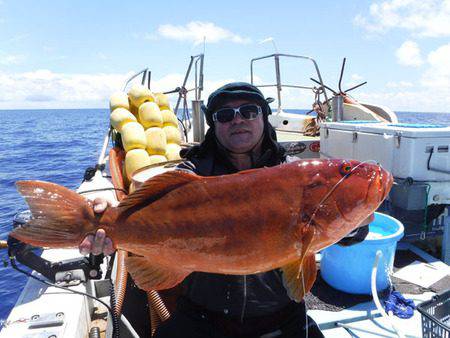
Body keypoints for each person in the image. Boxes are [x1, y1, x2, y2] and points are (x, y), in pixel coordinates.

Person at [80, 82, 371, 337]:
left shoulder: (296, 176)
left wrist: (357, 224)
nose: (238, 120)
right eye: (225, 115)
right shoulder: (191, 175)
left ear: (264, 119)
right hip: (202, 319)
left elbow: (347, 234)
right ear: (214, 126)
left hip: (281, 318)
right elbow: (146, 208)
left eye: (249, 111)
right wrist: (105, 218)